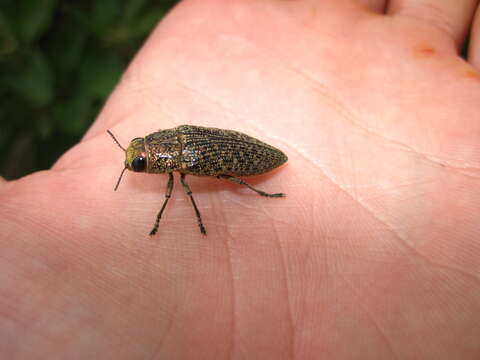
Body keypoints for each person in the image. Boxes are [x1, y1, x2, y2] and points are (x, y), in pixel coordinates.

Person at [1, 0, 480, 358]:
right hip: (220, 146)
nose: (140, 164)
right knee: (212, 178)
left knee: (222, 180)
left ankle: (256, 189)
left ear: (160, 157)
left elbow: (184, 188)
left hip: (244, 156)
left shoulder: (182, 159)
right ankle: (255, 189)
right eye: (140, 161)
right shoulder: (177, 143)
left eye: (142, 161)